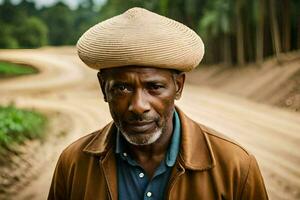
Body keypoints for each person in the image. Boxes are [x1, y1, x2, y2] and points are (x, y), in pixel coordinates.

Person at [48, 7, 268, 200]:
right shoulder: (74, 164)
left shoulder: (235, 166)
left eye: (154, 87)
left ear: (179, 87)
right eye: (122, 88)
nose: (138, 106)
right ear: (103, 88)